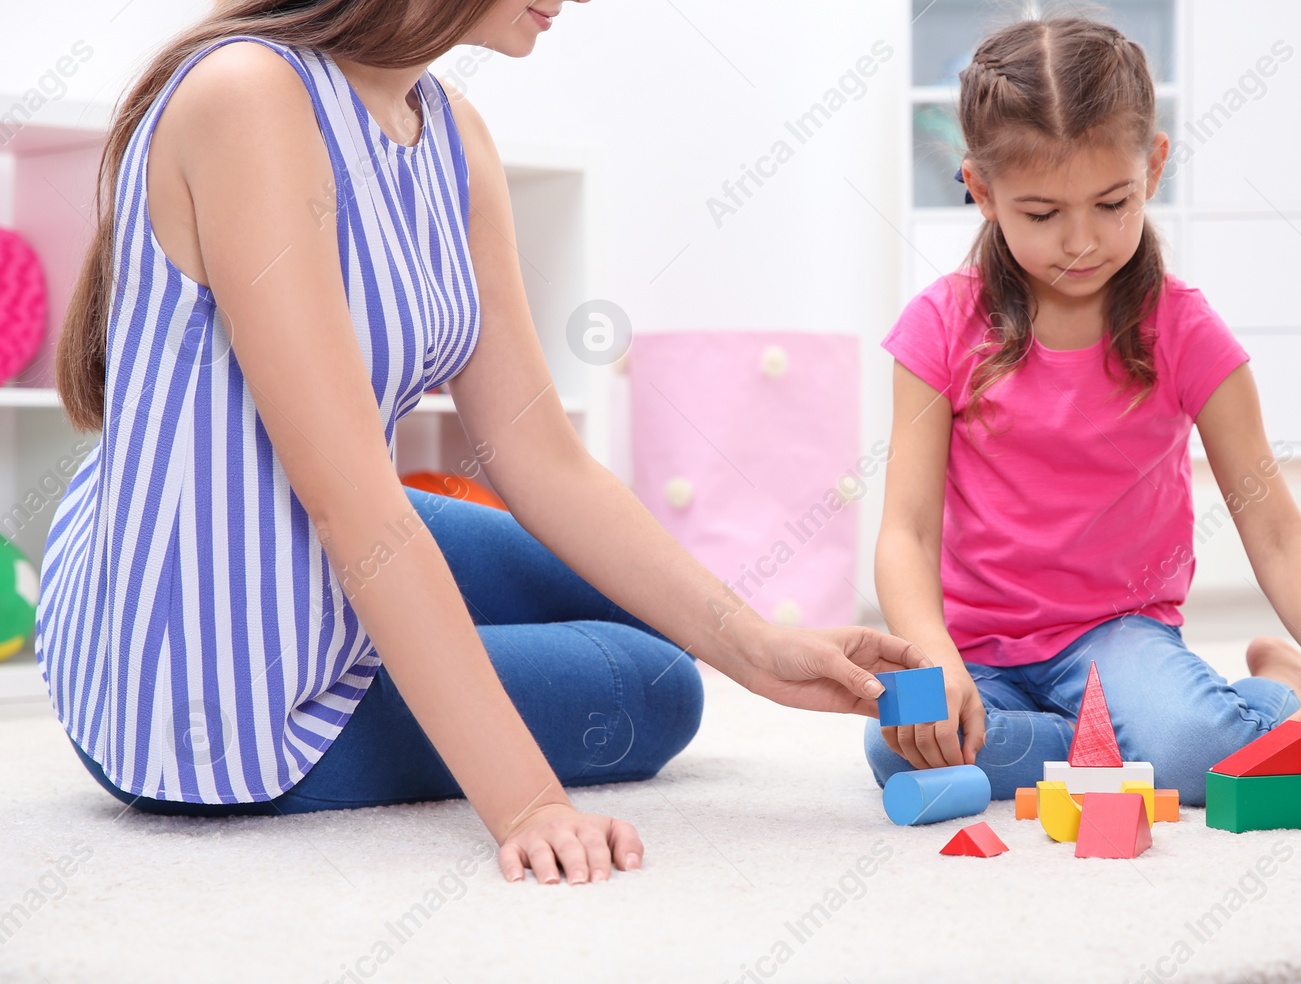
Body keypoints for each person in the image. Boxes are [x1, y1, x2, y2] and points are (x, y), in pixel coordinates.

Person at [35, 0, 926, 887]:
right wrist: (528, 803)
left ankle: (431, 646)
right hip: (215, 682)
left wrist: (759, 646)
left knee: (645, 610)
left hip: (326, 541)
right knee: (657, 686)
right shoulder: (250, 97)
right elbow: (353, 505)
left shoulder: (455, 134)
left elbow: (543, 457)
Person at [867, 16, 1301, 806]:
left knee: (1192, 755)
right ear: (980, 189)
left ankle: (1278, 693)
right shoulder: (939, 327)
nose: (1081, 241)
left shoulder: (1184, 331)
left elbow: (1276, 529)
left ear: (1152, 167)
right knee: (894, 745)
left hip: (1117, 638)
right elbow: (905, 531)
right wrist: (933, 656)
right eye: (1041, 214)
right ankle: (1105, 750)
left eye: (1112, 203)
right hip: (975, 650)